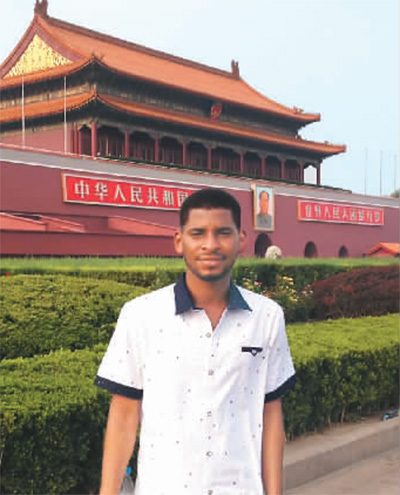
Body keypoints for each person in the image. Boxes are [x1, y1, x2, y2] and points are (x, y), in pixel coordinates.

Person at [95, 188, 296, 495]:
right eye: (198, 233)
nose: (211, 245)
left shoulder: (266, 317)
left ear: (241, 239)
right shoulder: (141, 315)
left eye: (223, 233)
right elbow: (123, 414)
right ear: (180, 241)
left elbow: (270, 415)